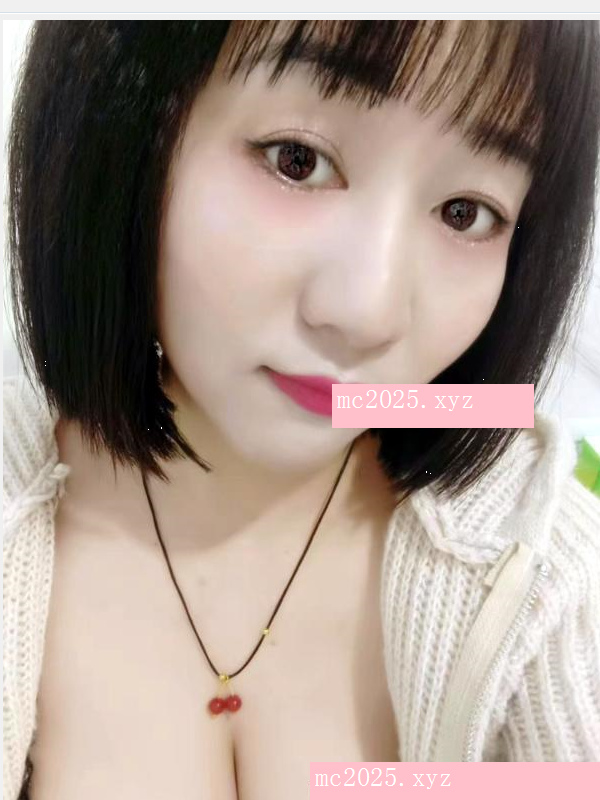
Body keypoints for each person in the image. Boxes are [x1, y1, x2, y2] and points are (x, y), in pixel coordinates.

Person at [4, 19, 600, 799]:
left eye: (465, 212)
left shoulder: (544, 576)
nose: (366, 312)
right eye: (298, 160)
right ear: (130, 130)